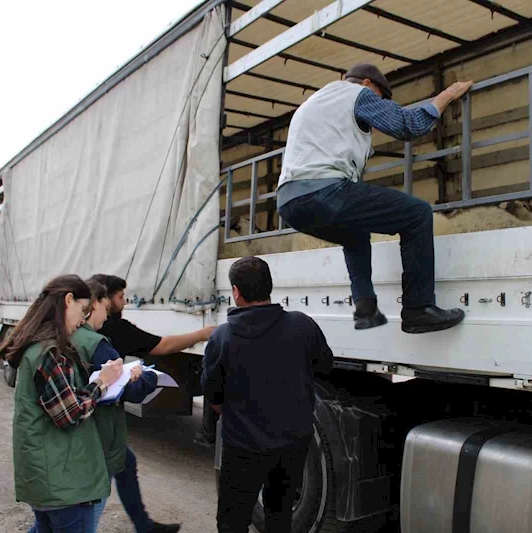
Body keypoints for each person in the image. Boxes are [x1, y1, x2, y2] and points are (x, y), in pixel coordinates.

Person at [277, 63, 474, 334]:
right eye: (380, 99)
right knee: (417, 213)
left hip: (289, 202)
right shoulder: (358, 94)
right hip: (323, 191)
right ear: (369, 84)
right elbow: (408, 125)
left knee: (355, 233)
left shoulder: (315, 101)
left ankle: (365, 309)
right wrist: (448, 95)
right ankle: (418, 309)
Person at [203, 257, 334, 533]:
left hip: (242, 446)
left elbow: (213, 395)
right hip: (293, 444)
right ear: (269, 287)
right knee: (280, 515)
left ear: (236, 292)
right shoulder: (303, 325)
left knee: (232, 520)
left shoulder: (222, 338)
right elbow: (324, 366)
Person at [87, 273, 216, 533]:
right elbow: (162, 346)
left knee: (124, 464)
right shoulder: (112, 330)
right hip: (101, 417)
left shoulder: (88, 333)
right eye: (120, 296)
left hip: (97, 416)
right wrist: (202, 333)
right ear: (104, 300)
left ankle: (144, 526)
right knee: (94, 490)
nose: (124, 302)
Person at [0, 274, 123, 533]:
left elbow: (63, 402)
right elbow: (70, 413)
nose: (83, 319)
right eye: (82, 310)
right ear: (68, 300)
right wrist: (103, 382)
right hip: (64, 483)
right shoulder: (50, 352)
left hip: (49, 478)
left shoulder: (39, 347)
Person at [70, 279, 160, 532]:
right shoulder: (96, 343)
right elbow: (127, 388)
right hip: (101, 435)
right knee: (89, 510)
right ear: (93, 304)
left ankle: (144, 525)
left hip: (86, 434)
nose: (107, 312)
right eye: (104, 306)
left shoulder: (71, 336)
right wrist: (150, 378)